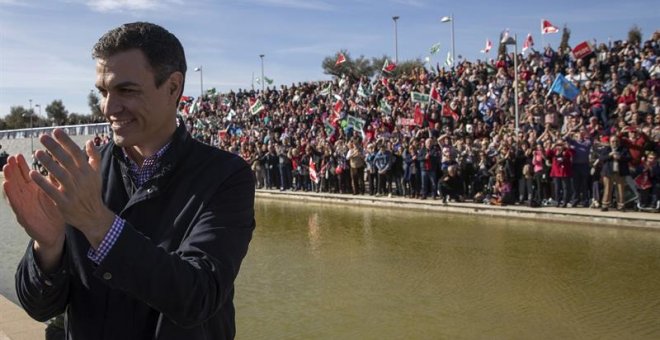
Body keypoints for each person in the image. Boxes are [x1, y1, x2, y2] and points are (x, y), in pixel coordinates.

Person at [4, 22, 255, 339]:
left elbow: (199, 297)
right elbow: (39, 307)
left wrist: (98, 223)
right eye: (103, 92)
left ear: (173, 88)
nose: (108, 107)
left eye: (127, 90)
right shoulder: (83, 171)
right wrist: (48, 248)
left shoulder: (225, 176)